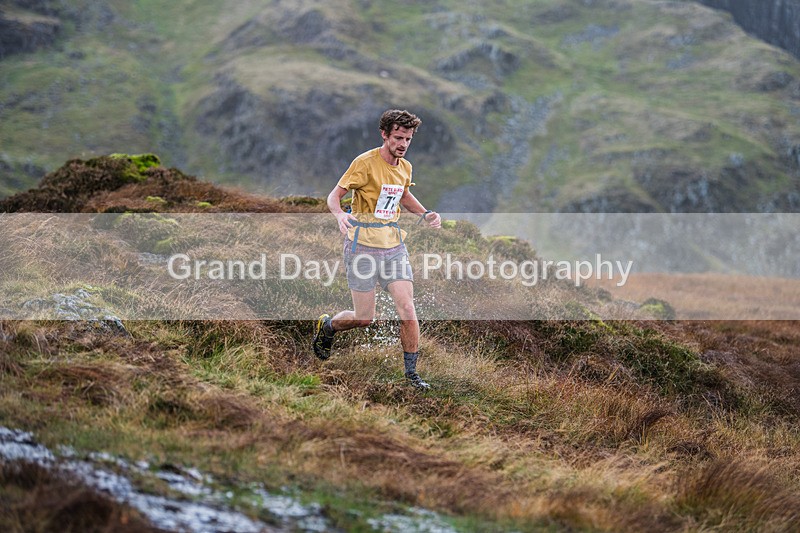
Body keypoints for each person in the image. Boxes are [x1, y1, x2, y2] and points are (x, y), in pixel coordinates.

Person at [312, 109, 442, 389]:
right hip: (362, 248)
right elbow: (335, 196)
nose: (403, 144)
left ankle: (411, 375)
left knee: (407, 309)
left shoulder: (405, 167)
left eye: (408, 139)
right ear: (384, 134)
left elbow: (404, 194)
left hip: (394, 246)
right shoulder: (364, 163)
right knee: (364, 318)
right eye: (398, 137)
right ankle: (328, 326)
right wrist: (339, 215)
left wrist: (425, 213)